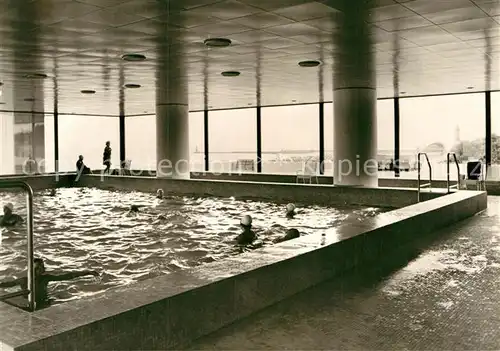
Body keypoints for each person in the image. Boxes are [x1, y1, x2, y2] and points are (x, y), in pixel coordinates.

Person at [0, 258, 99, 307]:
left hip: (44, 301)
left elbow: (66, 276)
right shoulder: (24, 280)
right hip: (31, 303)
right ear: (36, 269)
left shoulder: (45, 278)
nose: (44, 268)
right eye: (42, 267)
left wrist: (87, 272)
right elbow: (6, 284)